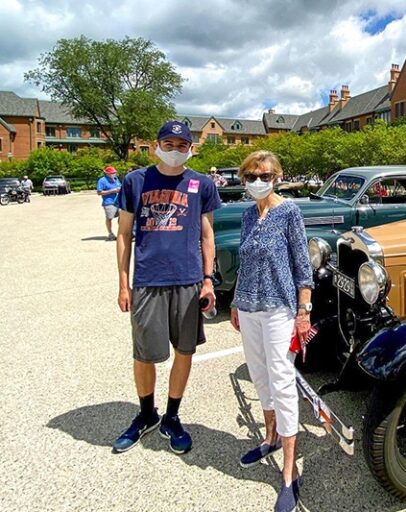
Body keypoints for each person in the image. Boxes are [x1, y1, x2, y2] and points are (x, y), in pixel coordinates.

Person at [112, 120, 221, 455]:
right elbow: (123, 234)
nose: (175, 150)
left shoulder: (201, 183)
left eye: (181, 145)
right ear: (156, 145)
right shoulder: (135, 181)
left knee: (184, 352)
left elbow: (207, 235)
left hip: (188, 281)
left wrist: (207, 279)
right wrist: (123, 284)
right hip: (148, 279)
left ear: (191, 148)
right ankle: (146, 414)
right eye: (168, 143)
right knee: (144, 355)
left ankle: (172, 417)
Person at [229, 150, 313, 512]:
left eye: (263, 175)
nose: (256, 181)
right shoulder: (249, 215)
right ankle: (270, 437)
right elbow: (245, 262)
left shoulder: (289, 212)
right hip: (248, 309)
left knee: (281, 380)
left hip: (280, 308)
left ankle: (289, 474)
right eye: (250, 176)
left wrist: (303, 311)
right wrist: (234, 302)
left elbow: (302, 265)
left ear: (277, 176)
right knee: (259, 375)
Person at [96, 167, 122, 240]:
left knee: (122, 217)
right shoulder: (102, 181)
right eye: (112, 173)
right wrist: (112, 191)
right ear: (107, 173)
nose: (114, 174)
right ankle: (110, 233)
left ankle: (121, 232)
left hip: (119, 201)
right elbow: (99, 192)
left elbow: (120, 187)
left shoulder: (116, 179)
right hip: (109, 202)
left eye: (114, 172)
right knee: (109, 218)